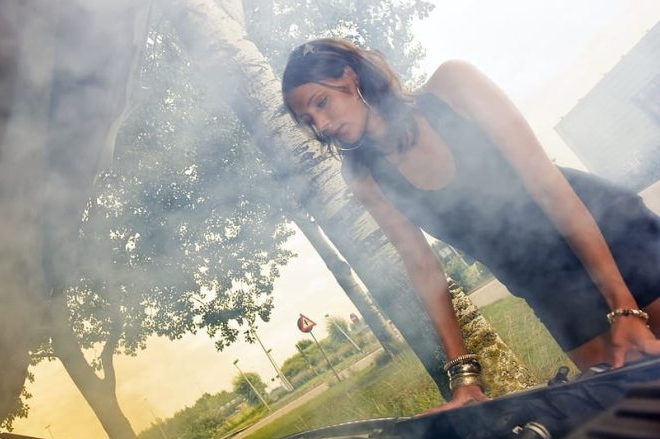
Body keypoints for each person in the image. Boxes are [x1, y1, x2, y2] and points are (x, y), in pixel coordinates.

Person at [281, 38, 660, 410]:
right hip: (545, 286)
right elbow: (424, 269)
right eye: (309, 120)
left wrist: (624, 307)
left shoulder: (454, 85)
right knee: (632, 411)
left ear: (350, 77)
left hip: (610, 237)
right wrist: (464, 379)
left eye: (322, 102)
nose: (323, 124)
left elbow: (547, 186)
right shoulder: (363, 175)